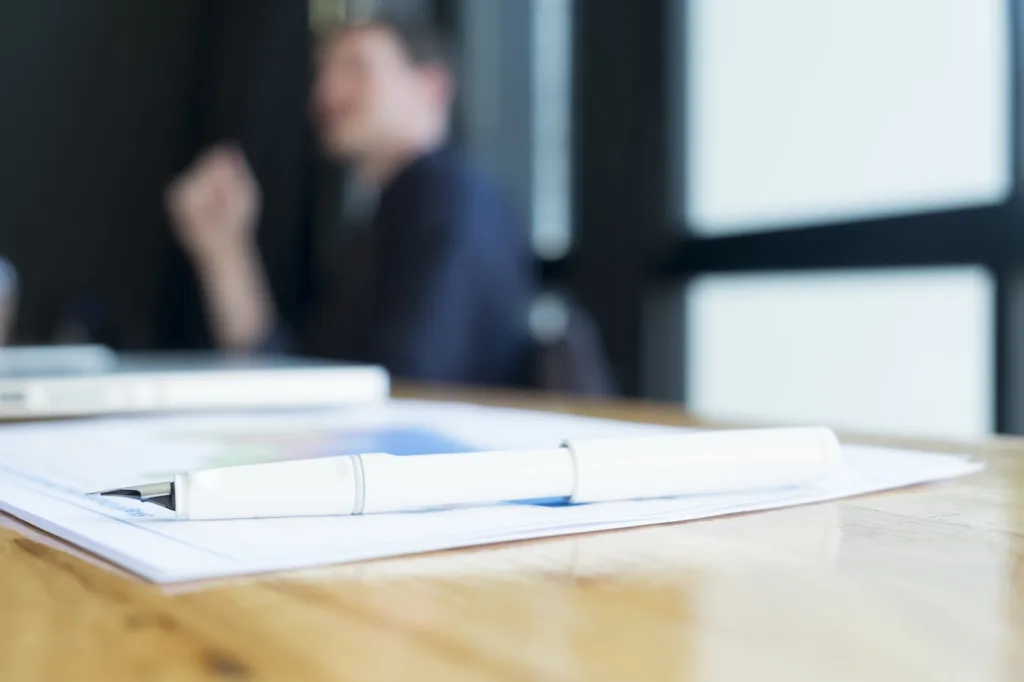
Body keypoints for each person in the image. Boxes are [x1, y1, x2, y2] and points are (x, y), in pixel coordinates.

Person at [165, 17, 535, 386]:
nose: (326, 90)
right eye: (322, 73)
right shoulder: (395, 210)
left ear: (431, 88)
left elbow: (397, 388)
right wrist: (225, 251)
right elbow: (305, 373)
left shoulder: (446, 202)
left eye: (356, 67)